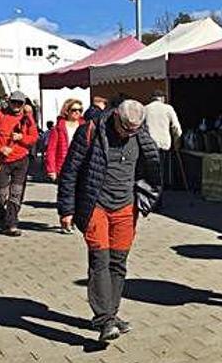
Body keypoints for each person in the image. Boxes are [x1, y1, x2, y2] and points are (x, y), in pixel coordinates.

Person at [56, 100, 161, 342]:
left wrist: (147, 199)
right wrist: (66, 209)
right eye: (126, 129)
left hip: (126, 208)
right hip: (96, 206)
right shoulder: (91, 130)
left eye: (135, 130)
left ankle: (110, 315)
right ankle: (104, 318)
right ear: (116, 117)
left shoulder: (140, 134)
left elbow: (153, 168)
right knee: (100, 259)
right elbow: (70, 171)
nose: (129, 134)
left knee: (118, 262)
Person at [0, 91, 38, 236]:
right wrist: (0, 148)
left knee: (16, 193)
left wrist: (21, 137)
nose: (17, 106)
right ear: (9, 102)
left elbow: (34, 138)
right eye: (14, 102)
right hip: (2, 161)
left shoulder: (27, 118)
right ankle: (1, 213)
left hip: (21, 160)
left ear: (24, 104)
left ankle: (12, 223)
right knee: (1, 194)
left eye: (20, 103)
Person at [144, 90, 183, 191]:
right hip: (163, 144)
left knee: (150, 172)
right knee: (161, 171)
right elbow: (176, 128)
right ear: (162, 98)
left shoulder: (145, 109)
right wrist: (177, 142)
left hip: (148, 144)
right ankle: (159, 197)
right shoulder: (168, 108)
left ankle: (151, 198)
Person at [45, 99, 84, 183]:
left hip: (82, 166)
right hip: (64, 167)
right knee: (66, 194)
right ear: (67, 111)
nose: (77, 112)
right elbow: (51, 150)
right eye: (74, 110)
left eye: (80, 110)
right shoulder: (58, 128)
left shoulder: (86, 127)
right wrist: (51, 169)